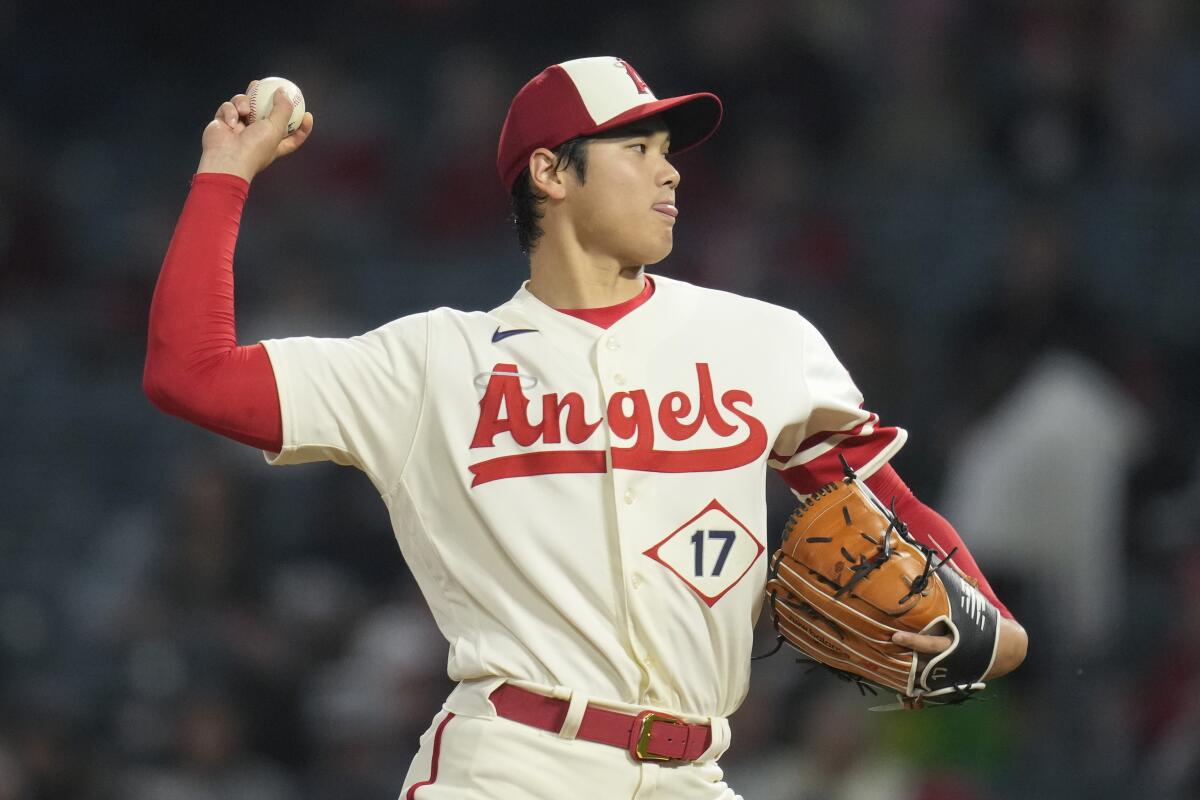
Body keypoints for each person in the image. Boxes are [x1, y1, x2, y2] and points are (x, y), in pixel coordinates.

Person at [144, 56, 1028, 800]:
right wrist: (226, 169)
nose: (670, 171)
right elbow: (191, 373)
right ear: (551, 173)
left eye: (668, 151)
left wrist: (989, 615)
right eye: (636, 148)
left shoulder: (765, 342)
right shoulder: (432, 363)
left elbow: (881, 500)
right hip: (510, 767)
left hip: (695, 770)